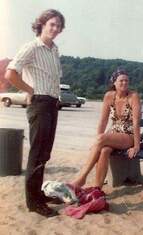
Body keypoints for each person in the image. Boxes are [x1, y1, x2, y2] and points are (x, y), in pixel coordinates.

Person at [4, 9, 65, 217]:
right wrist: (29, 90)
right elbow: (10, 73)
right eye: (52, 24)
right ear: (42, 24)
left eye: (58, 26)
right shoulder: (31, 47)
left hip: (52, 104)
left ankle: (38, 194)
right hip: (39, 103)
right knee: (37, 153)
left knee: (44, 153)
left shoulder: (54, 50)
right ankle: (33, 202)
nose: (55, 29)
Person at [71, 69, 141, 189]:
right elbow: (103, 121)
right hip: (113, 134)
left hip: (129, 136)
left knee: (102, 139)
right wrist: (98, 141)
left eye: (126, 81)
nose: (124, 83)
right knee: (104, 150)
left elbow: (136, 123)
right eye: (121, 80)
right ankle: (97, 188)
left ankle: (81, 178)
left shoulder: (133, 97)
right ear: (114, 82)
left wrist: (136, 145)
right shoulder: (109, 96)